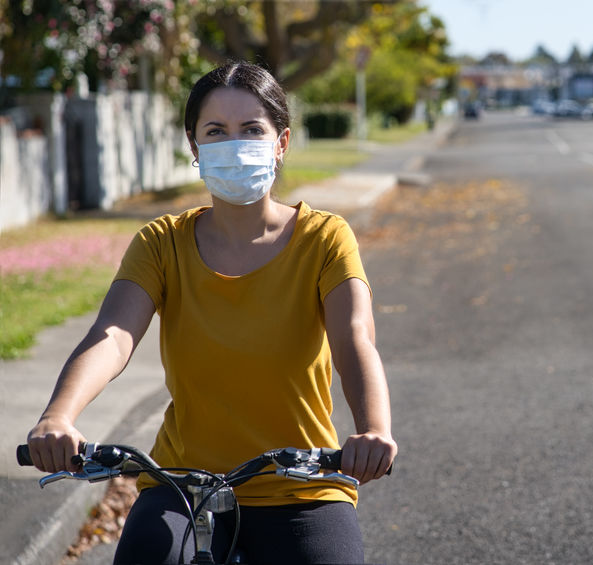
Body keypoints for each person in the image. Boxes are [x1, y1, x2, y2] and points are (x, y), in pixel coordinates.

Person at [26, 61, 397, 564]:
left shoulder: (325, 239)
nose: (235, 144)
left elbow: (354, 337)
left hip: (301, 484)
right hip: (183, 486)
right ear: (195, 146)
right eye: (216, 131)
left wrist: (373, 428)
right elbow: (113, 333)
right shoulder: (161, 244)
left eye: (251, 129)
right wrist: (58, 416)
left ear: (281, 142)